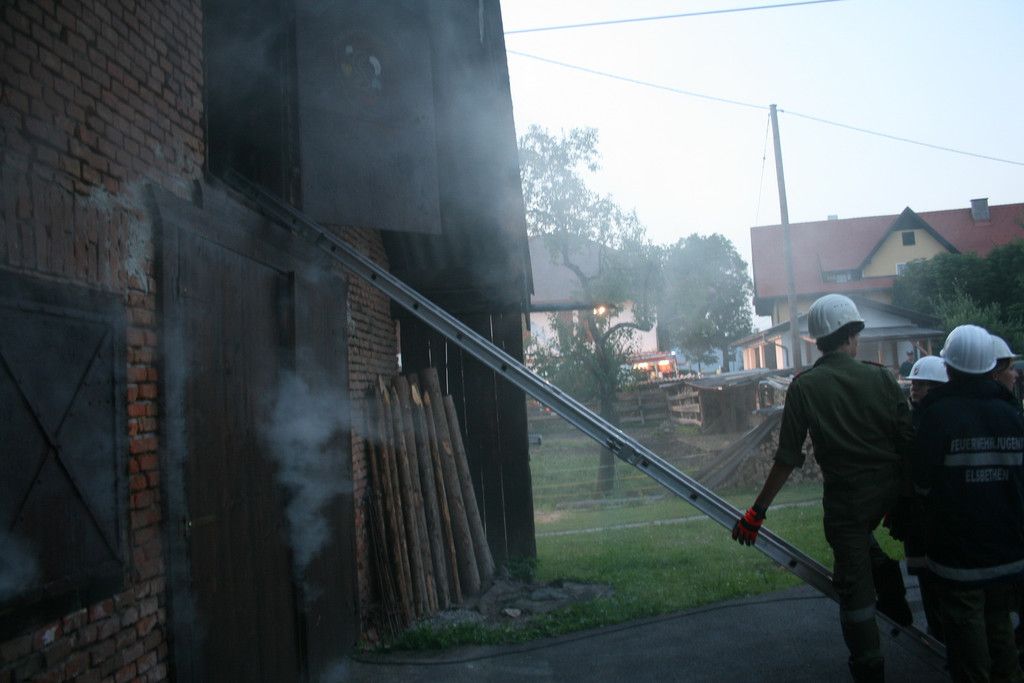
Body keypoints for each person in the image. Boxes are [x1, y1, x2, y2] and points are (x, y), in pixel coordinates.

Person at [731, 294, 913, 682]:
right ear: (850, 336)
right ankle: (886, 574)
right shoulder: (882, 377)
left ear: (818, 340)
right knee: (861, 538)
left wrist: (756, 512)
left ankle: (869, 664)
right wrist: (908, 498)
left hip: (847, 505)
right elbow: (908, 442)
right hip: (889, 492)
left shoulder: (804, 387)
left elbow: (786, 458)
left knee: (855, 594)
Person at [911, 325, 1024, 682]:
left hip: (958, 559)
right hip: (1007, 554)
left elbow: (921, 484)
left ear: (948, 368)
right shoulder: (1012, 415)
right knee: (1002, 636)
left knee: (968, 648)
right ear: (990, 367)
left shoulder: (937, 416)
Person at [897, 355, 949, 641]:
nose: (914, 388)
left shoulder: (940, 420)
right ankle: (936, 634)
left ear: (937, 386)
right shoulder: (911, 418)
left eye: (921, 384)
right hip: (916, 516)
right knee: (926, 579)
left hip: (939, 515)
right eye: (913, 384)